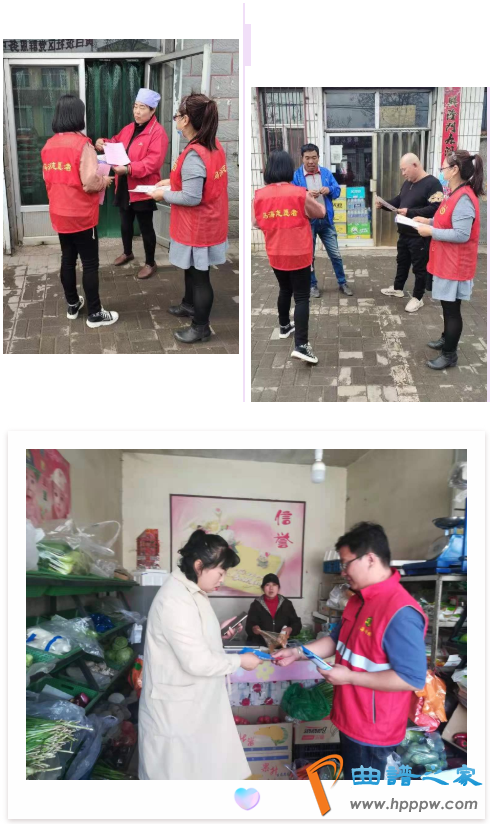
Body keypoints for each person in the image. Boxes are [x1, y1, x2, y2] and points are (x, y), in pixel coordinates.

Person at [273, 522, 427, 781]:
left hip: (373, 729)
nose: (343, 572)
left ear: (370, 559)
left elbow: (412, 678)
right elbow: (336, 640)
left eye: (346, 564)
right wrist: (297, 652)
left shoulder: (400, 611)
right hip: (350, 717)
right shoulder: (358, 600)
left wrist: (350, 677)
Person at [138, 529, 260, 779]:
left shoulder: (190, 592)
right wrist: (240, 660)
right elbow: (197, 661)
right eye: (220, 572)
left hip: (193, 706)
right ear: (199, 566)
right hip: (177, 712)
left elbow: (191, 638)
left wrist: (219, 634)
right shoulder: (175, 600)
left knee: (198, 769)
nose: (222, 579)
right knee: (177, 774)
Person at [151, 94, 229, 343]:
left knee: (200, 277)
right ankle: (189, 304)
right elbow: (197, 181)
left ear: (185, 120)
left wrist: (163, 194)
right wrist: (171, 181)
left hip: (199, 225)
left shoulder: (195, 154)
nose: (175, 118)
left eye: (177, 115)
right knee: (191, 269)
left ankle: (200, 327)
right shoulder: (212, 144)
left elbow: (192, 196)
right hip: (209, 219)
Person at [41, 94, 118, 328]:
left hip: (59, 213)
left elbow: (47, 179)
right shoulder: (82, 145)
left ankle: (73, 305)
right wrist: (104, 181)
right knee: (90, 263)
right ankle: (95, 313)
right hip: (82, 215)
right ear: (77, 116)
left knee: (67, 259)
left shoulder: (48, 145)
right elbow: (89, 182)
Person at [253, 150, 325, 364]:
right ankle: (301, 345)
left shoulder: (259, 195)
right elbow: (320, 212)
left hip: (275, 252)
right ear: (288, 169)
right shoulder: (299, 193)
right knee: (301, 297)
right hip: (299, 253)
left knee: (285, 289)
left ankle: (284, 326)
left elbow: (256, 222)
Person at [413, 150, 484, 370]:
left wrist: (430, 232)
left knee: (452, 310)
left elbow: (462, 234)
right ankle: (446, 339)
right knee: (447, 306)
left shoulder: (464, 198)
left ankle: (450, 354)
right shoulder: (453, 194)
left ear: (454, 170)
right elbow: (445, 219)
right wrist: (428, 221)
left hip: (455, 264)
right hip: (446, 261)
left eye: (443, 167)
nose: (441, 171)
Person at [96, 89, 168, 280]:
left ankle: (150, 263)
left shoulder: (158, 133)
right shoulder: (129, 128)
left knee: (145, 227)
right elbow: (115, 143)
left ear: (152, 110)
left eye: (142, 107)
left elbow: (153, 162)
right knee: (125, 223)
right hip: (124, 185)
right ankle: (127, 252)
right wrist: (103, 143)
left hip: (143, 188)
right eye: (135, 106)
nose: (137, 111)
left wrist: (129, 169)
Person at [377, 153, 443, 313]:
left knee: (419, 268)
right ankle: (398, 288)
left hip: (419, 235)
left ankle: (418, 297)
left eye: (404, 169)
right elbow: (399, 201)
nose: (403, 173)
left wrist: (410, 212)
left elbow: (435, 208)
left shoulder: (432, 183)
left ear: (415, 165)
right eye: (401, 170)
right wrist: (384, 204)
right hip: (404, 233)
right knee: (402, 261)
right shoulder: (408, 183)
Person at [293, 143, 353, 299]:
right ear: (302, 158)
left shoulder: (326, 173)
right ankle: (312, 285)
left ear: (318, 157)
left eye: (314, 157)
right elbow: (292, 197)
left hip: (326, 221)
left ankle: (342, 283)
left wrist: (329, 190)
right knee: (309, 257)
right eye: (307, 158)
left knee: (335, 254)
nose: (311, 161)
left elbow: (337, 191)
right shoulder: (296, 176)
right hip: (308, 222)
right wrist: (305, 193)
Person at [245, 573, 302, 646]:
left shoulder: (286, 604)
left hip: (281, 646)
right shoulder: (256, 605)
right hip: (260, 646)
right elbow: (248, 627)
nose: (271, 588)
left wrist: (290, 629)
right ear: (263, 588)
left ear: (278, 588)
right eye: (267, 585)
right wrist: (253, 629)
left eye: (274, 585)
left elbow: (297, 624)